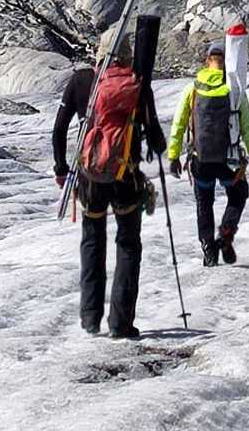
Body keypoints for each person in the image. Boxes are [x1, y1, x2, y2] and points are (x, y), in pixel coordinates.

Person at [52, 49, 166, 339]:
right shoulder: (137, 83)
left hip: (90, 176)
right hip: (126, 175)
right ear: (128, 56)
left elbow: (59, 128)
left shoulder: (81, 80)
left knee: (92, 240)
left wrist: (61, 168)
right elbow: (156, 138)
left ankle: (90, 318)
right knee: (128, 244)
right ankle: (121, 323)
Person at [168, 38, 249, 267]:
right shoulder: (234, 89)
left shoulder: (193, 88)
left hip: (200, 159)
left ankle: (208, 248)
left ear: (207, 61)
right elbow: (246, 123)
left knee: (204, 202)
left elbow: (179, 123)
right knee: (239, 193)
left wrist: (173, 156)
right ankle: (227, 232)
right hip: (228, 160)